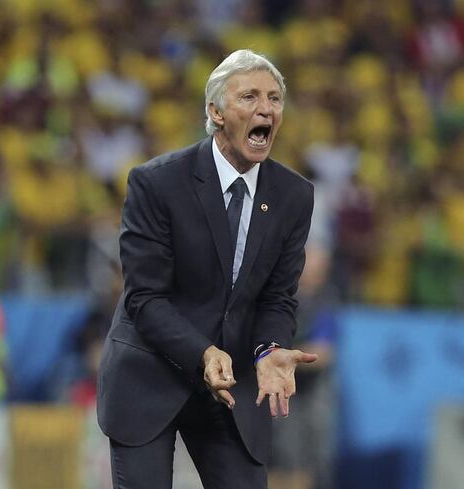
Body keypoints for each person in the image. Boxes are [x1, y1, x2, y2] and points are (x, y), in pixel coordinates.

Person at [96, 49, 318, 489]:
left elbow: (276, 298)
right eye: (249, 97)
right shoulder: (157, 183)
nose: (265, 109)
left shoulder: (294, 196)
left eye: (274, 99)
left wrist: (269, 350)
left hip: (231, 388)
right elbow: (144, 298)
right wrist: (202, 352)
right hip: (151, 375)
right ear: (215, 112)